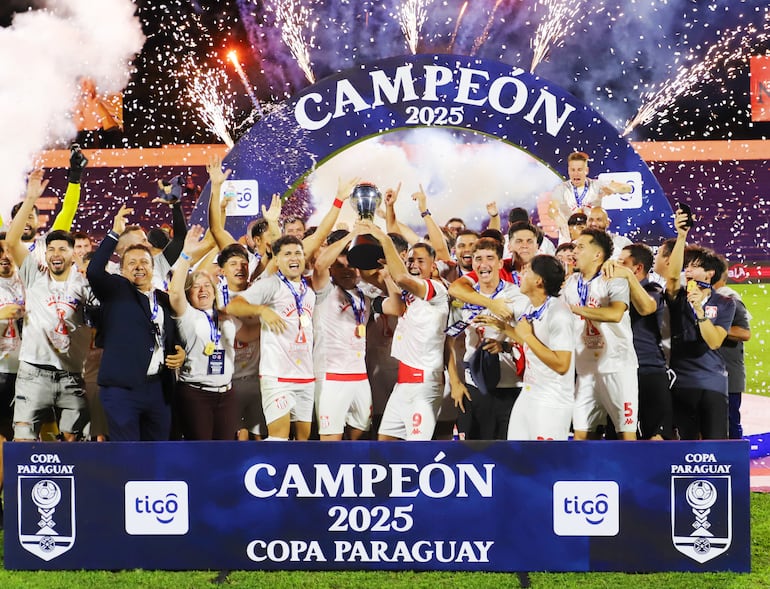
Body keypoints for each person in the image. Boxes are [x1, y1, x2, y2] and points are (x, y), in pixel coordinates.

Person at [86, 205, 186, 441]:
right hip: (122, 390)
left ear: (154, 268)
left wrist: (179, 351)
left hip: (159, 389)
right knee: (128, 454)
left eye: (144, 262)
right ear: (121, 270)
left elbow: (169, 333)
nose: (139, 267)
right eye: (132, 263)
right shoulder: (115, 291)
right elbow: (94, 272)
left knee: (158, 453)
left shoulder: (162, 299)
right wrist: (113, 233)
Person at [6, 170, 92, 441]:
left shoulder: (84, 282)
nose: (56, 253)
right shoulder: (32, 271)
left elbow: (67, 212)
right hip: (31, 367)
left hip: (70, 372)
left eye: (63, 249)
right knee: (22, 439)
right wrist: (31, 197)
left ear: (73, 251)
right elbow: (10, 241)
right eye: (52, 249)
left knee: (71, 443)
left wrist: (75, 177)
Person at [168, 226, 258, 440]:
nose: (203, 290)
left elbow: (248, 334)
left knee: (224, 451)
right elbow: (174, 291)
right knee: (201, 452)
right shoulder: (186, 315)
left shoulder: (225, 315)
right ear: (189, 293)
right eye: (196, 286)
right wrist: (185, 255)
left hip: (226, 394)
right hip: (195, 394)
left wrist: (274, 319)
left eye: (207, 285)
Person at [363, 221, 449, 441]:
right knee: (385, 445)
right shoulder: (409, 296)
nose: (414, 264)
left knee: (417, 453)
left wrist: (385, 239)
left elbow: (402, 278)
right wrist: (387, 272)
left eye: (421, 261)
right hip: (402, 384)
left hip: (424, 385)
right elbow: (395, 296)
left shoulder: (436, 290)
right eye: (410, 260)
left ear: (434, 266)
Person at [476, 255, 575, 440]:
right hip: (529, 393)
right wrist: (503, 327)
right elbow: (531, 344)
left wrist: (527, 335)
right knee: (517, 455)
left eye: (527, 270)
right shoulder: (532, 307)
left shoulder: (559, 314)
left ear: (538, 281)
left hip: (552, 400)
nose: (521, 273)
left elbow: (562, 364)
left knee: (544, 463)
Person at [226, 235, 315, 441]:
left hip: (305, 377)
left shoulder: (308, 292)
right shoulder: (271, 285)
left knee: (304, 442)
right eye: (287, 254)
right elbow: (234, 306)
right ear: (276, 260)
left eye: (298, 253)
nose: (294, 258)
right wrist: (261, 310)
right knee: (279, 440)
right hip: (277, 377)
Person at [664, 209, 735, 440]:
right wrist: (681, 235)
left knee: (715, 447)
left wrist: (699, 311)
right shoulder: (678, 295)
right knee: (685, 448)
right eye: (687, 267)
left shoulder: (724, 302)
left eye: (694, 266)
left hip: (712, 384)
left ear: (709, 273)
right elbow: (672, 277)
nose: (688, 270)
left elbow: (714, 341)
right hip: (682, 384)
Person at [561, 228, 638, 440]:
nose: (573, 251)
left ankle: (629, 474)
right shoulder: (570, 283)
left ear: (597, 254)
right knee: (581, 437)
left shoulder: (612, 277)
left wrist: (575, 310)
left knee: (627, 437)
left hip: (618, 366)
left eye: (580, 247)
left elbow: (615, 314)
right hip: (585, 370)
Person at [449, 238, 527, 440]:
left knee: (508, 454)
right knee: (473, 453)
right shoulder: (464, 298)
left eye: (490, 258)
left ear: (501, 263)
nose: (484, 264)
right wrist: (455, 383)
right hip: (473, 387)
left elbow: (529, 340)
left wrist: (504, 344)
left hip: (510, 387)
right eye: (478, 259)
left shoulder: (517, 296)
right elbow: (448, 341)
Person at [603, 243, 672, 439]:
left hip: (647, 370)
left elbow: (645, 308)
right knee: (617, 435)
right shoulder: (614, 291)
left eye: (622, 262)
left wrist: (627, 277)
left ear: (637, 268)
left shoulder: (652, 290)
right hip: (619, 370)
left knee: (655, 437)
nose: (616, 266)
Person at [311, 226, 372, 441]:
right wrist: (351, 234)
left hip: (360, 376)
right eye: (340, 265)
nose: (347, 270)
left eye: (352, 265)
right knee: (330, 441)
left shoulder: (364, 294)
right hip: (331, 377)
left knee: (361, 432)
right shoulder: (323, 290)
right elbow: (319, 264)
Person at [714, 266, 751, 439]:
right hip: (708, 372)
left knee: (729, 421)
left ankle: (735, 463)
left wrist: (711, 327)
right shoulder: (703, 298)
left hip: (728, 373)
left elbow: (744, 333)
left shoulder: (730, 298)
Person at [549, 151, 632, 217]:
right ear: (568, 171)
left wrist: (614, 189)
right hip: (568, 236)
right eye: (573, 170)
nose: (576, 174)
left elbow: (627, 188)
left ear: (586, 170)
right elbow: (552, 209)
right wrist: (557, 218)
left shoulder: (596, 185)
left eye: (579, 170)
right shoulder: (561, 189)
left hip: (592, 235)